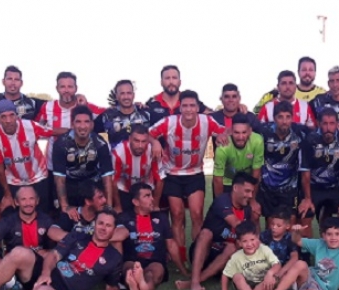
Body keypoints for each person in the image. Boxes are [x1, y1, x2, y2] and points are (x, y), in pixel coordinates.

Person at [149, 89, 226, 257]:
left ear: (198, 107)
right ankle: (181, 255)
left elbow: (225, 130)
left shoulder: (207, 121)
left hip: (195, 173)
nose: (189, 109)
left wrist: (222, 136)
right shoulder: (169, 122)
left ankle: (197, 254)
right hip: (173, 174)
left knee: (197, 214)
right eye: (185, 106)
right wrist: (154, 142)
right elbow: (147, 134)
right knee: (177, 215)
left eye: (192, 105)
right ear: (180, 108)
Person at [0, 66, 46, 231]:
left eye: (16, 79)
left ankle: (30, 241)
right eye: (9, 79)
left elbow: (59, 104)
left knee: (30, 207)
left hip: (25, 167)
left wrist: (79, 98)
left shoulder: (32, 103)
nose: (13, 83)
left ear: (21, 82)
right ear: (3, 81)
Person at [177, 172, 257, 290]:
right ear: (235, 188)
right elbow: (237, 224)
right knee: (206, 233)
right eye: (247, 191)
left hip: (225, 260)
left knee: (232, 247)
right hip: (204, 253)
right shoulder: (222, 201)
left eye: (252, 192)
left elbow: (251, 236)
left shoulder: (247, 209)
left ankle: (194, 282)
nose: (250, 196)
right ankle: (195, 281)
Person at [262, 217, 339, 290]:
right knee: (300, 264)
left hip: (324, 289)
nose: (333, 238)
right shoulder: (319, 244)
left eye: (337, 234)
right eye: (329, 234)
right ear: (323, 236)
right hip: (309, 277)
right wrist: (297, 232)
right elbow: (297, 240)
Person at [0, 98, 54, 220]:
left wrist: (73, 130)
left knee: (42, 216)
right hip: (14, 180)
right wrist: (7, 194)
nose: (8, 120)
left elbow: (51, 131)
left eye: (12, 115)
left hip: (38, 177)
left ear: (17, 116)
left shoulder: (30, 126)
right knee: (14, 218)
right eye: (3, 117)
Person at [117, 182, 186, 290]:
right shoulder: (124, 218)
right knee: (130, 270)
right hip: (132, 260)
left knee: (152, 275)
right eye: (147, 196)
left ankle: (141, 286)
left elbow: (171, 245)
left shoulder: (161, 218)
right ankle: (138, 285)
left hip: (155, 261)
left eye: (151, 195)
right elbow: (114, 240)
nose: (152, 199)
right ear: (136, 202)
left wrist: (182, 269)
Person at [52, 104, 114, 221]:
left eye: (86, 122)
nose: (82, 126)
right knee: (65, 218)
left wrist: (109, 207)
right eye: (78, 122)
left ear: (92, 125)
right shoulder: (61, 144)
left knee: (101, 217)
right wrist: (65, 207)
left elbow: (107, 176)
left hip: (92, 185)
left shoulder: (100, 143)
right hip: (70, 185)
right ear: (72, 124)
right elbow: (59, 178)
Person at [298, 108, 339, 232]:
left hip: (337, 187)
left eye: (332, 123)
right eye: (325, 123)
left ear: (337, 124)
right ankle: (306, 245)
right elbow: (305, 174)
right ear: (319, 124)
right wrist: (307, 198)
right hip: (314, 187)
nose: (328, 128)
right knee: (305, 214)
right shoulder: (309, 141)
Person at [253, 101, 311, 222]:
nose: (284, 121)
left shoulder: (301, 133)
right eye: (280, 117)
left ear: (292, 118)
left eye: (288, 117)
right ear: (274, 118)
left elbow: (321, 132)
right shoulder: (263, 131)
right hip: (267, 187)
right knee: (272, 224)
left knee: (290, 223)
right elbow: (244, 127)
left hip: (290, 188)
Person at [0, 185, 54, 269]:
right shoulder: (8, 222)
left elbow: (59, 245)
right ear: (16, 202)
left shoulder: (46, 220)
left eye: (31, 198)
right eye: (23, 199)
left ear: (37, 201)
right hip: (14, 267)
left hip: (40, 265)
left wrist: (48, 253)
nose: (28, 203)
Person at [220, 221, 282, 290]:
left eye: (252, 240)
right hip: (247, 285)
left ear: (258, 238)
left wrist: (270, 273)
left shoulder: (264, 249)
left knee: (274, 279)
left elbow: (277, 264)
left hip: (264, 283)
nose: (249, 244)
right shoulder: (236, 257)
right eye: (245, 241)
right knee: (237, 276)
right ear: (239, 243)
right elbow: (225, 274)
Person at [111, 124, 163, 213]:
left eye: (143, 141)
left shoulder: (153, 151)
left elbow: (160, 179)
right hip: (124, 189)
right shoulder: (118, 152)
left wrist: (155, 205)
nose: (140, 145)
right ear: (130, 139)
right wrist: (118, 206)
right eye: (136, 141)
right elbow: (113, 181)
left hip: (146, 188)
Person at [212, 114, 264, 198]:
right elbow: (218, 179)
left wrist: (252, 199)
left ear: (250, 131)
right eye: (236, 132)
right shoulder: (223, 147)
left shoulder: (257, 141)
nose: (240, 137)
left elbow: (256, 173)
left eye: (244, 132)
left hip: (248, 182)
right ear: (231, 131)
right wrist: (221, 202)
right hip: (227, 182)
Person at [255, 56, 327, 111]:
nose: (307, 73)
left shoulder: (323, 93)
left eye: (311, 70)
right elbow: (256, 110)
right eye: (304, 70)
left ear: (315, 72)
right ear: (298, 72)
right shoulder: (285, 91)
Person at [95, 79, 152, 147]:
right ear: (117, 96)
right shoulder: (107, 116)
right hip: (116, 153)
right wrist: (103, 149)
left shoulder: (146, 114)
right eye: (122, 93)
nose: (126, 97)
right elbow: (89, 132)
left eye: (129, 93)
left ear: (133, 95)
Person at [47, 182, 113, 240]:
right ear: (88, 201)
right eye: (100, 197)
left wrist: (93, 239)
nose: (105, 200)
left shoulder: (107, 214)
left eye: (104, 196)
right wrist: (78, 239)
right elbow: (52, 232)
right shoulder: (72, 214)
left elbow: (119, 232)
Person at [259, 206, 300, 276]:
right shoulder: (264, 236)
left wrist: (281, 272)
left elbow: (294, 257)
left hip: (284, 270)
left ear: (287, 226)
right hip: (266, 269)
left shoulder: (289, 238)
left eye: (278, 225)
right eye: (272, 224)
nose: (274, 227)